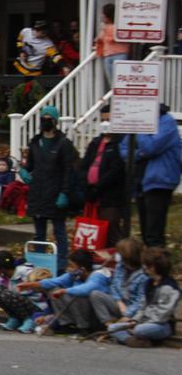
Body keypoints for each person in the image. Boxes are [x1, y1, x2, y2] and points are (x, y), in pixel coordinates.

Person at [21, 105, 76, 273]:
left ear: (55, 121)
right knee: (39, 234)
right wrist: (24, 171)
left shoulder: (64, 143)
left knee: (59, 231)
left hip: (55, 192)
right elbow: (30, 164)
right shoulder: (35, 142)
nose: (45, 122)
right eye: (43, 119)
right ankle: (39, 264)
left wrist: (65, 193)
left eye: (48, 119)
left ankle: (61, 265)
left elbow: (69, 171)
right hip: (38, 192)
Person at [119, 103, 180, 248]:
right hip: (141, 180)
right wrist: (139, 153)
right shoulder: (141, 125)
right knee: (145, 230)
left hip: (160, 180)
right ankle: (150, 263)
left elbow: (151, 147)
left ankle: (158, 265)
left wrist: (140, 130)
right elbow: (123, 149)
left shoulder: (167, 122)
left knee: (154, 231)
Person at [18, 248, 110, 334]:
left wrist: (65, 291)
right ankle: (67, 325)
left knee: (76, 294)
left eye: (71, 266)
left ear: (82, 269)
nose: (68, 269)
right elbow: (54, 281)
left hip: (97, 314)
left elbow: (86, 289)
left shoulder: (99, 274)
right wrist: (28, 285)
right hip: (84, 310)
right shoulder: (75, 274)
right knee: (53, 290)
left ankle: (84, 328)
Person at [105, 247, 179, 347]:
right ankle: (131, 340)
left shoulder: (169, 287)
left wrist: (138, 325)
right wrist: (134, 320)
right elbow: (142, 306)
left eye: (147, 265)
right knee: (112, 328)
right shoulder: (149, 283)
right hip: (142, 322)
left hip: (161, 324)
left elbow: (161, 315)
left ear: (153, 267)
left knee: (140, 330)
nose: (144, 267)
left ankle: (139, 337)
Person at [81, 118, 126, 246]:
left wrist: (98, 187)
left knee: (111, 229)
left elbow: (116, 170)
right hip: (92, 197)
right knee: (93, 234)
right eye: (104, 119)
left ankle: (116, 260)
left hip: (110, 197)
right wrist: (87, 185)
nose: (105, 122)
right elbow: (84, 165)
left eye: (108, 119)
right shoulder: (95, 143)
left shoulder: (118, 144)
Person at [89, 237, 147, 328]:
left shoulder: (144, 274)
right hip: (120, 304)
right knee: (95, 295)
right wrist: (119, 302)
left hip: (135, 311)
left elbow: (141, 300)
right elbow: (114, 286)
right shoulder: (121, 265)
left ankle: (120, 325)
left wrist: (127, 313)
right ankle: (107, 325)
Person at [94, 3, 129, 87]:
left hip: (119, 55)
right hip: (107, 56)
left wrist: (105, 29)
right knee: (112, 83)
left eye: (103, 14)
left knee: (120, 82)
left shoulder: (118, 26)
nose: (101, 16)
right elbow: (100, 39)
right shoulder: (105, 27)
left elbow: (114, 37)